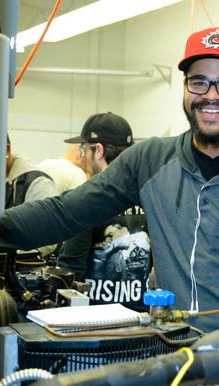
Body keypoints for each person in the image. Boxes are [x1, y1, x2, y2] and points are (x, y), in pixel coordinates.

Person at [0, 27, 219, 332]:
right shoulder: (149, 161)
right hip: (169, 360)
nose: (211, 95)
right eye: (199, 82)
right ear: (185, 87)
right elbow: (65, 213)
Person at [55, 112, 151, 311]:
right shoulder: (149, 196)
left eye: (84, 150)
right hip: (141, 321)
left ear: (98, 150)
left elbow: (70, 269)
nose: (83, 158)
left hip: (95, 322)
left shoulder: (87, 200)